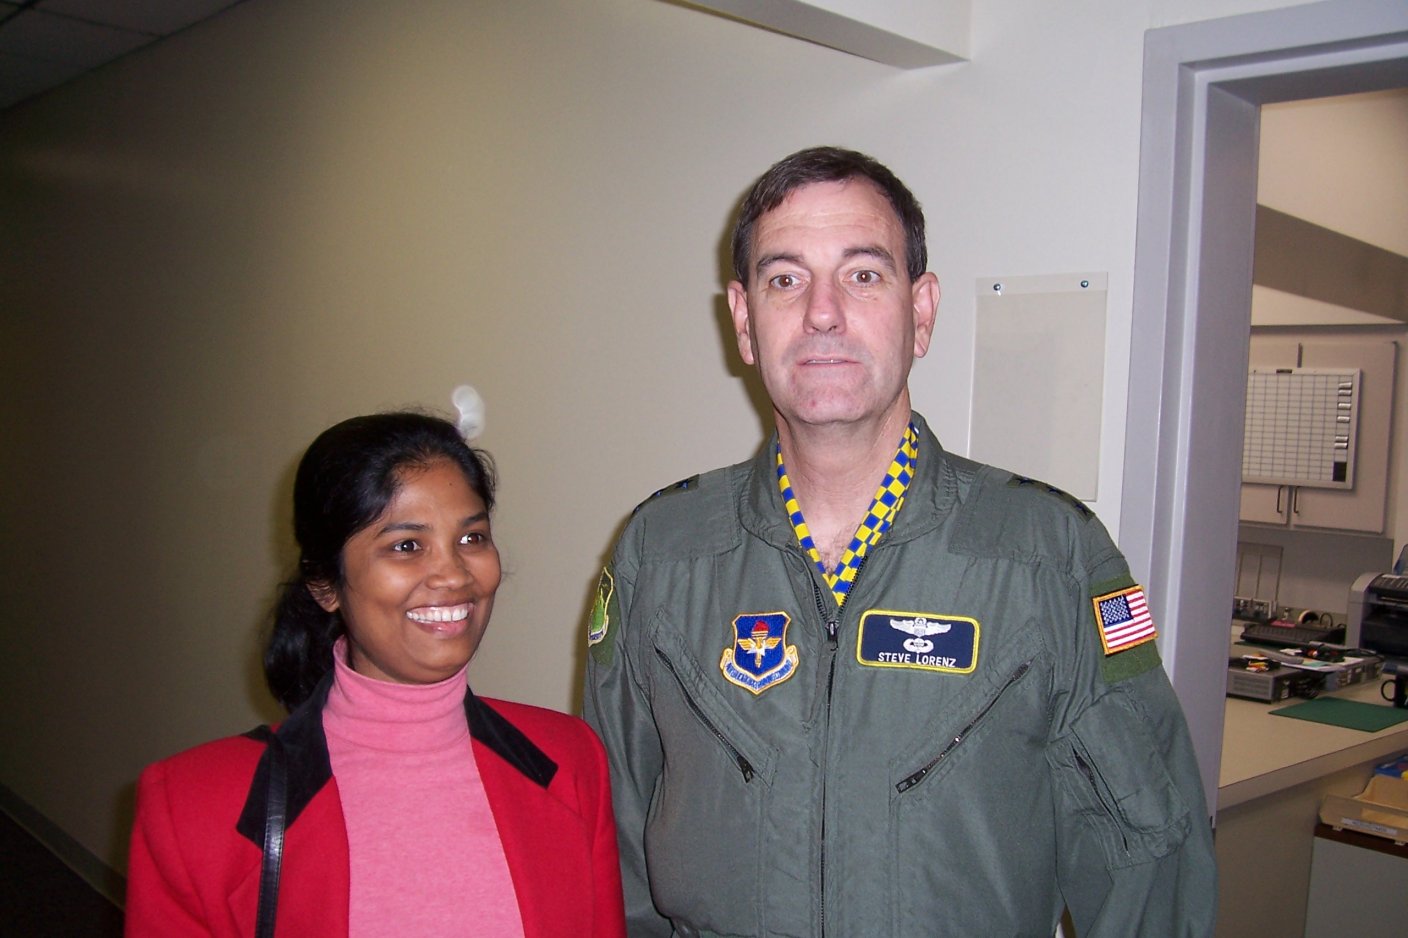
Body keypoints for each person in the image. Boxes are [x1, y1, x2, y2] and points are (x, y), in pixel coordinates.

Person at [583, 147, 1216, 937]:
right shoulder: (662, 554)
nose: (822, 313)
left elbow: (1148, 865)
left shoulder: (1047, 556)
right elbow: (609, 854)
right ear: (744, 320)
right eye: (785, 279)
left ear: (921, 311)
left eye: (863, 274)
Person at [127, 412, 626, 938]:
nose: (454, 574)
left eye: (471, 537)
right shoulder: (192, 808)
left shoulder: (571, 759)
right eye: (406, 545)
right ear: (325, 584)